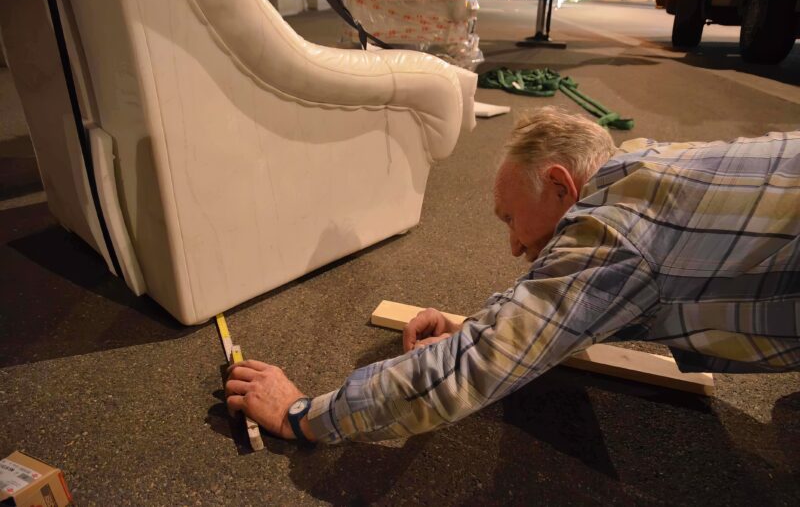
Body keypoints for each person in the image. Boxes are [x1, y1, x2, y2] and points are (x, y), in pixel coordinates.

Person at [225, 106, 800, 445]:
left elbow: (478, 366)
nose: (513, 245)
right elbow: (579, 296)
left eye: (511, 219)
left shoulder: (615, 235)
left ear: (559, 187)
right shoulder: (642, 169)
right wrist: (475, 322)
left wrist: (304, 415)